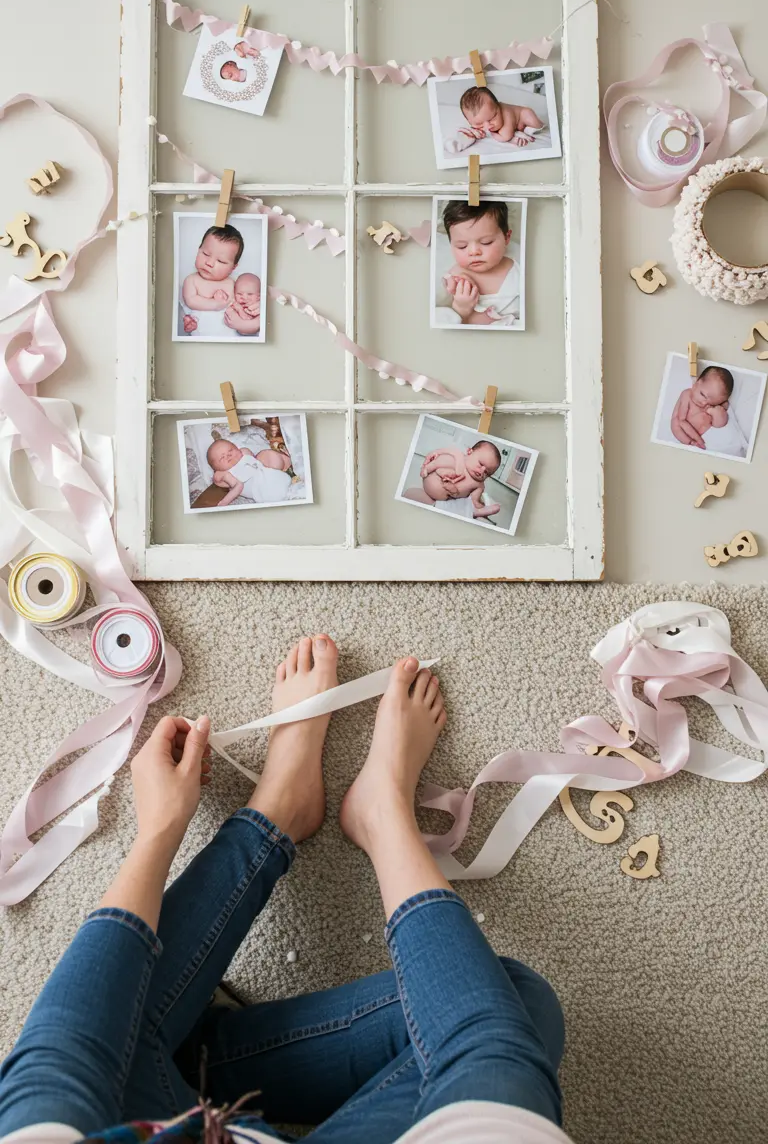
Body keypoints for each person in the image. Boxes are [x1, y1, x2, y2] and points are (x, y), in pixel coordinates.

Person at [0, 639, 569, 1144]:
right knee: (511, 1006)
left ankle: (276, 814)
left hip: (142, 1114)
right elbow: (489, 1056)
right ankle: (381, 811)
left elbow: (64, 1049)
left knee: (93, 1057)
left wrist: (160, 831)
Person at [439, 200, 521, 328]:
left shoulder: (519, 271)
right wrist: (461, 308)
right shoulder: (453, 279)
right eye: (462, 246)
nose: (473, 252)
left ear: (506, 238)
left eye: (486, 242)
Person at [411, 439, 502, 520]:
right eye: (481, 464)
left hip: (444, 501)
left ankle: (473, 512)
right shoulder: (460, 459)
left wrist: (478, 504)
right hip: (432, 483)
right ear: (470, 452)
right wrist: (429, 467)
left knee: (463, 505)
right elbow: (444, 456)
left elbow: (473, 501)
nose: (482, 471)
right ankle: (430, 469)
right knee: (448, 459)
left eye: (487, 472)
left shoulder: (479, 485)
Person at [181, 223, 244, 336]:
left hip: (229, 336)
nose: (209, 263)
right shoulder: (192, 280)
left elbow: (241, 304)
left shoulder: (233, 284)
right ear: (199, 249)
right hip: (201, 335)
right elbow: (190, 300)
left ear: (233, 267)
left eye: (221, 261)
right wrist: (216, 304)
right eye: (205, 253)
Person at [206, 435, 293, 507]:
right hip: (260, 488)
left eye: (230, 450)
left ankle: (291, 458)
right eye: (222, 457)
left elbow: (251, 457)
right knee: (278, 493)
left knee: (272, 459)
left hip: (269, 473)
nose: (228, 455)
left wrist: (242, 453)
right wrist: (224, 502)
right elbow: (238, 486)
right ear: (216, 468)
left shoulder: (243, 456)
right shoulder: (227, 473)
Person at [457, 85, 542, 151]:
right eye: (479, 124)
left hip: (521, 117)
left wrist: (492, 133)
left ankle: (533, 126)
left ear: (498, 106)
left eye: (492, 118)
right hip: (514, 127)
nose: (488, 126)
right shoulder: (485, 120)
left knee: (530, 117)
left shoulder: (506, 113)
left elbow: (505, 137)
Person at [670, 365, 733, 449]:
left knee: (720, 417)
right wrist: (697, 439)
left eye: (712, 403)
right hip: (681, 425)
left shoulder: (711, 404)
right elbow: (682, 420)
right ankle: (690, 442)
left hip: (702, 431)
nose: (704, 403)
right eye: (702, 395)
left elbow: (718, 425)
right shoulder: (686, 394)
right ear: (696, 383)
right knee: (676, 427)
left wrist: (714, 411)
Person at [223, 272, 262, 337]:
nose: (244, 297)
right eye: (239, 294)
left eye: (250, 294)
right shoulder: (236, 305)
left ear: (259, 297)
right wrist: (240, 310)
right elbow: (230, 310)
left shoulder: (259, 306)